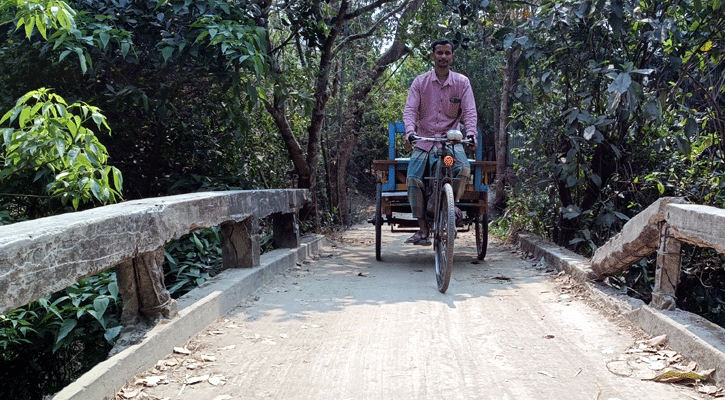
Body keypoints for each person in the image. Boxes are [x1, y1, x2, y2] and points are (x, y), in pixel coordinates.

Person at [403, 38, 478, 245]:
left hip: (451, 141)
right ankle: (423, 229)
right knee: (413, 178)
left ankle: (450, 206)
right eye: (440, 53)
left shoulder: (462, 82)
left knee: (461, 168)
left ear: (452, 56)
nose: (443, 57)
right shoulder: (420, 82)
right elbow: (410, 110)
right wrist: (410, 132)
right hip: (424, 140)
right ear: (433, 55)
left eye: (447, 53)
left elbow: (470, 112)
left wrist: (471, 135)